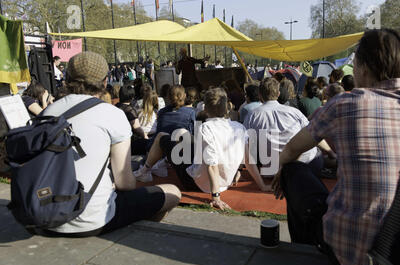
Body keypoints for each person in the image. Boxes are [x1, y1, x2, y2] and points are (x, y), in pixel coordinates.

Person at [271, 28, 400, 265]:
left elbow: (292, 150)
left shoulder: (345, 104)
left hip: (354, 257)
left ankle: (303, 251)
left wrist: (280, 170)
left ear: (364, 68)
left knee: (293, 170)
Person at [39, 51, 180, 237]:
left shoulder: (48, 112)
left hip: (44, 214)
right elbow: (125, 183)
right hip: (91, 218)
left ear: (67, 78)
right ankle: (134, 237)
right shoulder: (112, 114)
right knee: (173, 192)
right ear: (105, 82)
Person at [133, 87, 271, 210]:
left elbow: (212, 165)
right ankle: (162, 162)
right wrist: (262, 185)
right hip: (224, 182)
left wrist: (215, 197)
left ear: (205, 109)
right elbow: (249, 161)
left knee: (162, 136)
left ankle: (144, 171)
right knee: (183, 136)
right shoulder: (239, 128)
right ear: (227, 108)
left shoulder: (206, 128)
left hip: (197, 183)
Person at [244, 78, 322, 177]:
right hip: (304, 163)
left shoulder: (252, 115)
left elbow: (247, 145)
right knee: (316, 151)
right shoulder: (294, 112)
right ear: (278, 94)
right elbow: (311, 133)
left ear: (260, 95)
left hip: (271, 169)